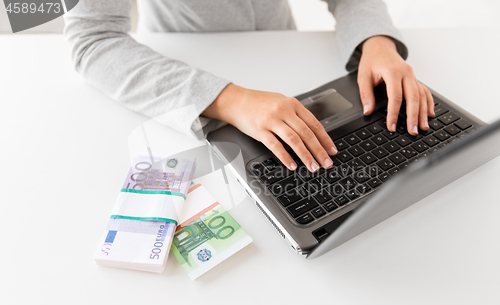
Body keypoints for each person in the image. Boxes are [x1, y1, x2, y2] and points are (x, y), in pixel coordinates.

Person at [64, 0, 434, 173]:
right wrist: (229, 100)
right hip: (181, 82)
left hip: (286, 61)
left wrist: (376, 42)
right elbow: (92, 38)